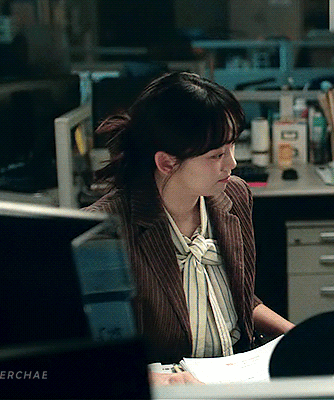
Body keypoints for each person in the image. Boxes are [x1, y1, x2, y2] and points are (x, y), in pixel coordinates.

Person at [84, 72, 294, 374]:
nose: (232, 163)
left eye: (233, 146)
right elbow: (102, 354)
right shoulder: (105, 231)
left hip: (236, 374)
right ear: (167, 162)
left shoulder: (234, 195)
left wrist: (296, 334)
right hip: (169, 384)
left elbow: (239, 299)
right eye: (217, 155)